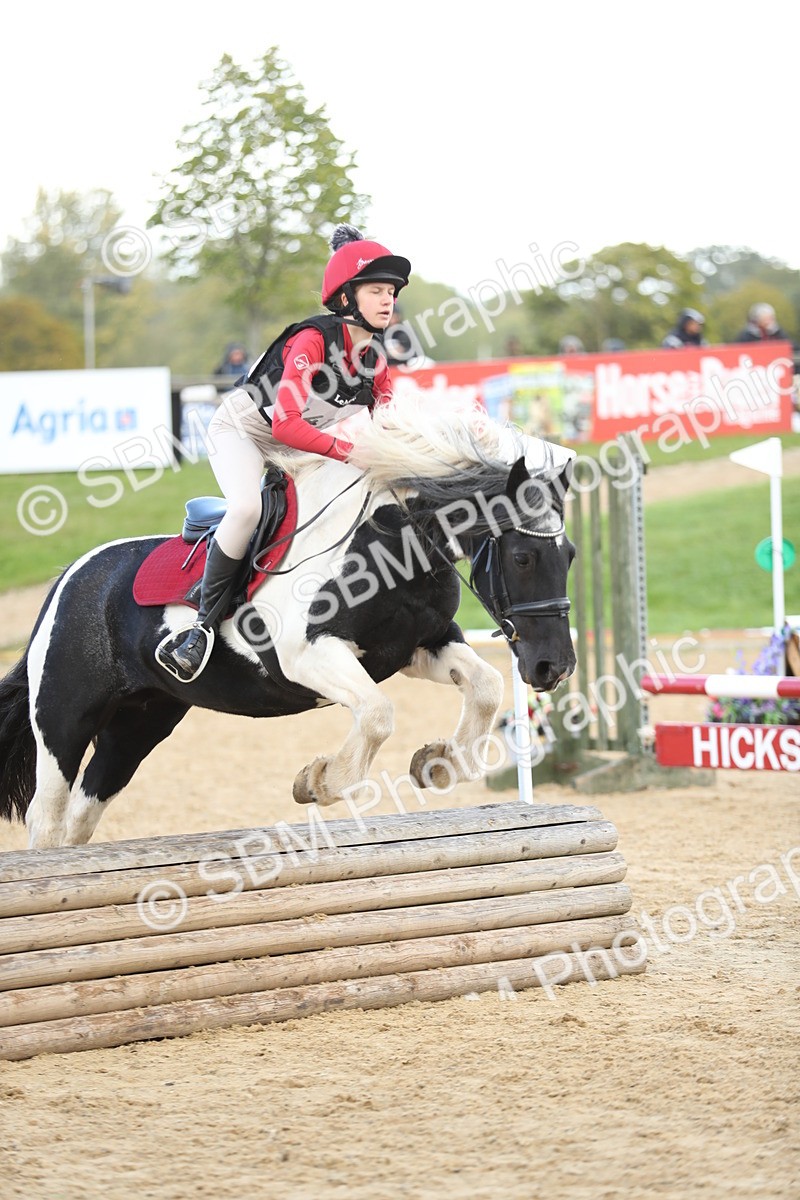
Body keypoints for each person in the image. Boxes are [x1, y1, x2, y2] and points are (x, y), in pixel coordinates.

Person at [157, 224, 411, 682]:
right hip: (244, 432)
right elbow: (285, 424)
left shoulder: (375, 361)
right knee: (247, 509)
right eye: (376, 290)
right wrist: (348, 451)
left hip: (296, 448)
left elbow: (389, 425)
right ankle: (200, 629)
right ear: (346, 298)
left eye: (391, 291)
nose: (388, 299)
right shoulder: (311, 341)